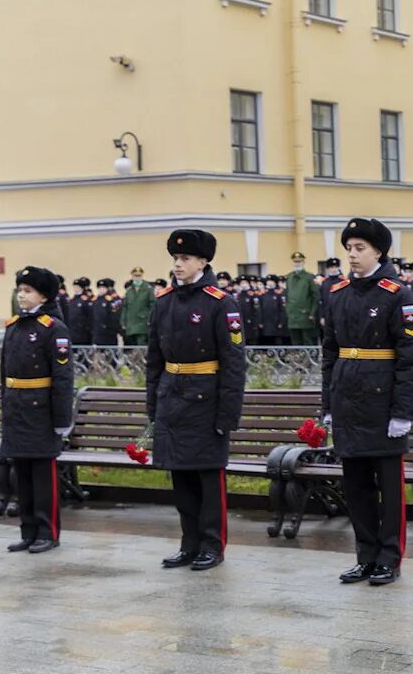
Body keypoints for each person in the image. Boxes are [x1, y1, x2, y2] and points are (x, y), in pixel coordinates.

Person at [321, 218, 413, 586]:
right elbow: (329, 354)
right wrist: (327, 406)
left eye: (360, 248)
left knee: (389, 490)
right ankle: (365, 556)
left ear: (379, 251)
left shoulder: (396, 294)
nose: (352, 254)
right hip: (348, 400)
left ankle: (389, 558)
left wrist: (402, 413)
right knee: (356, 487)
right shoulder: (337, 292)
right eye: (349, 248)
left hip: (382, 405)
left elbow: (411, 358)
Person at [147, 229, 246, 571]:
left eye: (185, 258)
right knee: (182, 480)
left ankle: (212, 545)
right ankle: (189, 543)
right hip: (172, 398)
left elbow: (233, 363)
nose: (178, 264)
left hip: (206, 401)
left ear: (203, 262)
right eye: (175, 258)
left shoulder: (221, 303)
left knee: (207, 479)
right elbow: (154, 359)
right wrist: (153, 406)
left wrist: (227, 415)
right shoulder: (163, 301)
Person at [1, 266, 74, 554]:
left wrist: (61, 419)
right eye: (20, 290)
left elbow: (63, 378)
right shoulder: (13, 326)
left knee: (43, 476)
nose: (21, 296)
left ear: (43, 295)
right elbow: (3, 374)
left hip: (40, 412)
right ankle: (28, 530)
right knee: (22, 475)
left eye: (27, 291)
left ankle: (47, 531)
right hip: (16, 410)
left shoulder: (53, 328)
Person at [285, 252, 320, 346]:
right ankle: (298, 359)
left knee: (307, 340)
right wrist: (288, 310)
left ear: (303, 262)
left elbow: (315, 296)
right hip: (292, 314)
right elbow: (287, 295)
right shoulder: (289, 277)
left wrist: (312, 313)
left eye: (299, 262)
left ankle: (309, 360)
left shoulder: (309, 277)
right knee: (295, 341)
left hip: (305, 314)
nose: (297, 264)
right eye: (295, 262)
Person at [122, 267, 155, 346]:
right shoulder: (129, 290)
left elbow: (153, 306)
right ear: (132, 277)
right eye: (135, 276)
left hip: (143, 323)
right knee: (131, 347)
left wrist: (150, 319)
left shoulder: (148, 289)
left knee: (141, 345)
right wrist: (123, 321)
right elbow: (125, 307)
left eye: (139, 276)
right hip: (131, 323)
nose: (137, 278)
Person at [258, 275, 288, 346]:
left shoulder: (279, 294)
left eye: (271, 281)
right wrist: (260, 321)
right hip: (266, 321)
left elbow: (282, 309)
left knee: (277, 340)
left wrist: (281, 321)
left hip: (276, 321)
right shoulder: (263, 294)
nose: (270, 283)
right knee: (267, 340)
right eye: (268, 281)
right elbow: (260, 309)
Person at [92, 278, 123, 346]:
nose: (101, 290)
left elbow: (115, 316)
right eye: (100, 288)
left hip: (109, 332)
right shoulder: (95, 300)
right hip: (97, 331)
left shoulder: (111, 300)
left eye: (103, 288)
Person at [67, 277, 94, 345]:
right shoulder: (72, 300)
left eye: (77, 287)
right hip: (72, 330)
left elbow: (90, 316)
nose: (75, 289)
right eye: (74, 287)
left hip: (82, 331)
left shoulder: (85, 300)